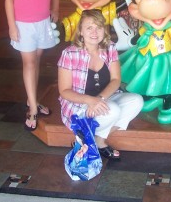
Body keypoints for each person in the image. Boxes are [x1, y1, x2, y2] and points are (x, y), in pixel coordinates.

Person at [58, 9, 143, 160]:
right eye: (89, 27)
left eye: (98, 27)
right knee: (114, 110)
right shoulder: (69, 54)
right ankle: (92, 137)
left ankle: (94, 139)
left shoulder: (110, 48)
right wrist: (90, 101)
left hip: (104, 99)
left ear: (104, 30)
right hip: (78, 105)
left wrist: (100, 99)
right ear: (81, 32)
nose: (94, 32)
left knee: (137, 101)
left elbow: (116, 80)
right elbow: (64, 91)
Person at [5, 0, 60, 131]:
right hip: (23, 24)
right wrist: (12, 26)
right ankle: (33, 109)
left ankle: (32, 100)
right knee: (29, 63)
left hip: (43, 22)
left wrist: (55, 8)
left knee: (36, 61)